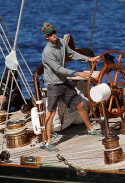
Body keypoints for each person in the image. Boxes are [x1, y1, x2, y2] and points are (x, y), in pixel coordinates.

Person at [41, 22, 101, 152]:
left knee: (79, 104)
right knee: (50, 113)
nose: (54, 35)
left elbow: (73, 54)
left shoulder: (62, 42)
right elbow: (58, 69)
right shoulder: (47, 52)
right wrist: (78, 73)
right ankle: (47, 142)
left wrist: (89, 59)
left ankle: (90, 130)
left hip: (64, 83)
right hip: (53, 86)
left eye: (54, 32)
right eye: (50, 34)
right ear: (46, 37)